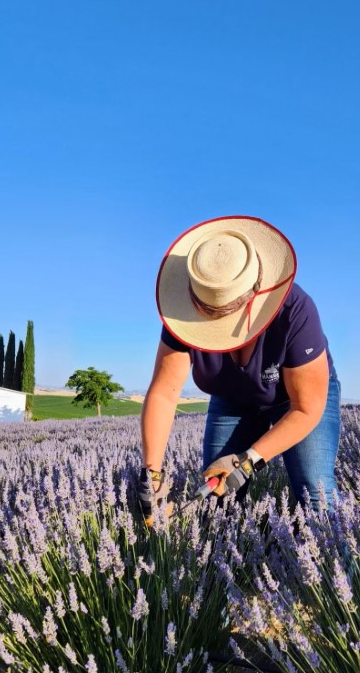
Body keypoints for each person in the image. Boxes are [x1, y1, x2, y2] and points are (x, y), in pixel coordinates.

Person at [139, 215, 340, 524]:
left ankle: (340, 566)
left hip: (296, 399)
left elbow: (307, 408)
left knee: (315, 491)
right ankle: (224, 565)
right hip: (234, 398)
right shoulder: (183, 319)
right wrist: (151, 474)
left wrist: (249, 462)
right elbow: (165, 393)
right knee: (217, 498)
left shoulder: (295, 311)